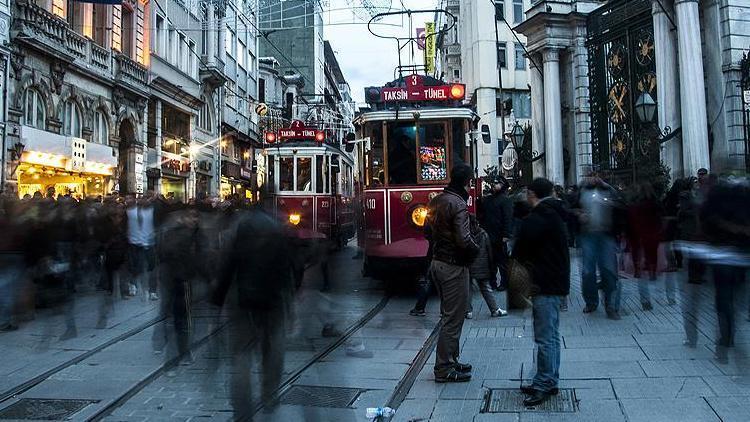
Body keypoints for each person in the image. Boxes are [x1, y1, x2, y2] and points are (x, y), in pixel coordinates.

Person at [213, 207, 293, 419]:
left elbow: (227, 265)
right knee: (273, 352)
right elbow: (287, 269)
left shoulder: (239, 227)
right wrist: (289, 303)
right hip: (272, 301)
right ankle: (270, 396)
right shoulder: (277, 229)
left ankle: (242, 408)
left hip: (242, 302)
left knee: (241, 355)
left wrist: (218, 298)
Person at [512, 178, 570, 407]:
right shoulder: (555, 213)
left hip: (544, 283)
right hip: (556, 282)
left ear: (531, 193)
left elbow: (520, 252)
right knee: (552, 335)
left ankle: (544, 383)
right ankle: (549, 379)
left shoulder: (538, 218)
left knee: (545, 336)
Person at [426, 164, 478, 383]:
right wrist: (476, 251)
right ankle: (444, 367)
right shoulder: (458, 204)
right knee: (453, 318)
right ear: (466, 182)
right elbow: (463, 239)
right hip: (453, 265)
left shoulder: (438, 200)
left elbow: (426, 231)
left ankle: (451, 359)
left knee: (450, 314)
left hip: (437, 261)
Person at [572, 173, 624, 320]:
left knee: (609, 270)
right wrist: (579, 215)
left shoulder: (609, 191)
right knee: (588, 271)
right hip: (588, 235)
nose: (593, 179)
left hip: (606, 236)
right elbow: (571, 207)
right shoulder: (581, 191)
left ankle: (611, 305)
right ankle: (591, 301)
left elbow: (621, 205)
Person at [466, 215, 507, 319]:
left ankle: (468, 311)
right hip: (482, 266)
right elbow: (489, 252)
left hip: (468, 265)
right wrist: (491, 266)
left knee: (467, 288)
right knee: (485, 288)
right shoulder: (483, 234)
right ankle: (494, 309)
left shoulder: (465, 235)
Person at [480, 176, 513, 291]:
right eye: (494, 183)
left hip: (499, 236)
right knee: (490, 261)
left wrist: (506, 235)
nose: (494, 185)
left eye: (497, 183)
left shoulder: (505, 200)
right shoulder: (488, 200)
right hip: (489, 234)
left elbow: (508, 218)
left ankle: (504, 282)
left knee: (502, 261)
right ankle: (492, 282)